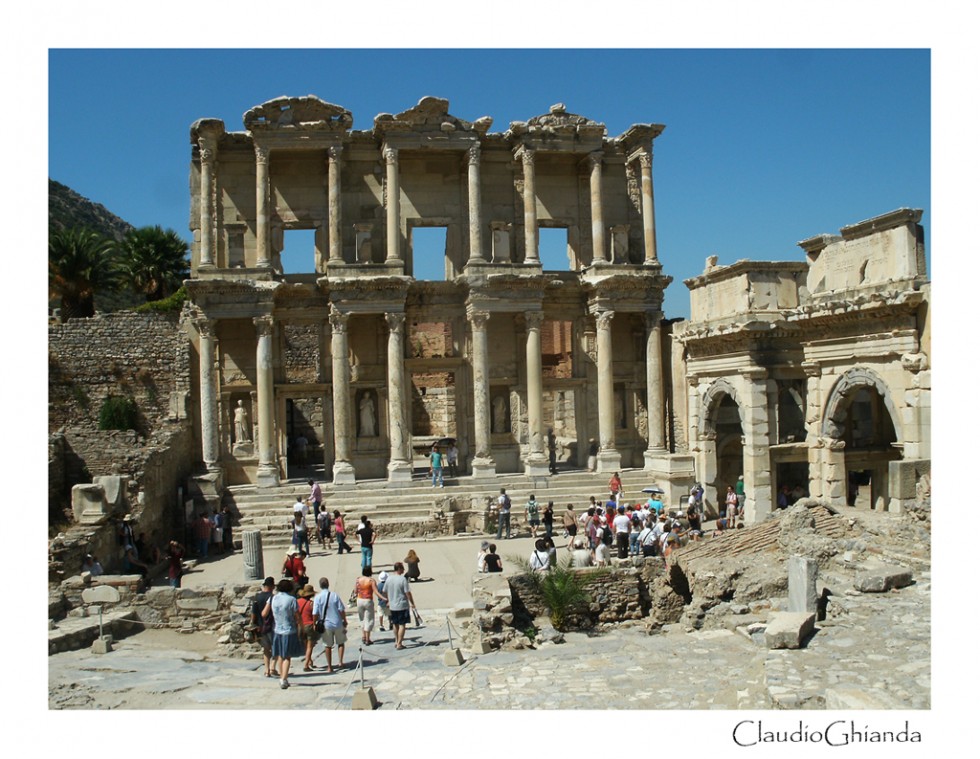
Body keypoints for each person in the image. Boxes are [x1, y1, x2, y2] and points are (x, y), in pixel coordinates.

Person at [264, 579, 303, 689]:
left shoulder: (273, 598)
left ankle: (282, 676)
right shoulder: (291, 599)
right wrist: (301, 626)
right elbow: (297, 615)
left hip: (277, 629)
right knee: (287, 656)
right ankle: (284, 678)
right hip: (289, 630)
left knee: (280, 654)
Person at [312, 576, 348, 673]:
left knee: (327, 645)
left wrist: (314, 623)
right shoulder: (334, 595)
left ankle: (329, 666)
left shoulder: (317, 597)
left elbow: (315, 613)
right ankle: (340, 661)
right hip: (337, 622)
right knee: (341, 643)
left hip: (326, 624)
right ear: (328, 584)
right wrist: (344, 619)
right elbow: (341, 609)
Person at [385, 562, 417, 650]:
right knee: (402, 624)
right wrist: (412, 603)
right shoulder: (402, 579)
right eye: (402, 568)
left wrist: (388, 600)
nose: (403, 570)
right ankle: (399, 643)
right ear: (399, 569)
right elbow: (408, 593)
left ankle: (396, 641)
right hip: (402, 605)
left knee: (395, 624)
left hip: (392, 605)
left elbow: (385, 591)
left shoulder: (389, 579)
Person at [353, 567, 386, 646]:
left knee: (362, 618)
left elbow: (355, 591)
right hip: (368, 600)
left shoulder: (358, 580)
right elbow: (375, 591)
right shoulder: (371, 581)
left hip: (360, 600)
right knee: (369, 619)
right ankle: (368, 639)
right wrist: (383, 598)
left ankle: (363, 636)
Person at [296, 584, 319, 672]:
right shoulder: (311, 604)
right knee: (310, 646)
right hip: (309, 625)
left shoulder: (297, 602)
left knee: (305, 645)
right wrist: (314, 623)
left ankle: (309, 661)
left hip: (300, 626)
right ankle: (306, 665)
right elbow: (315, 615)